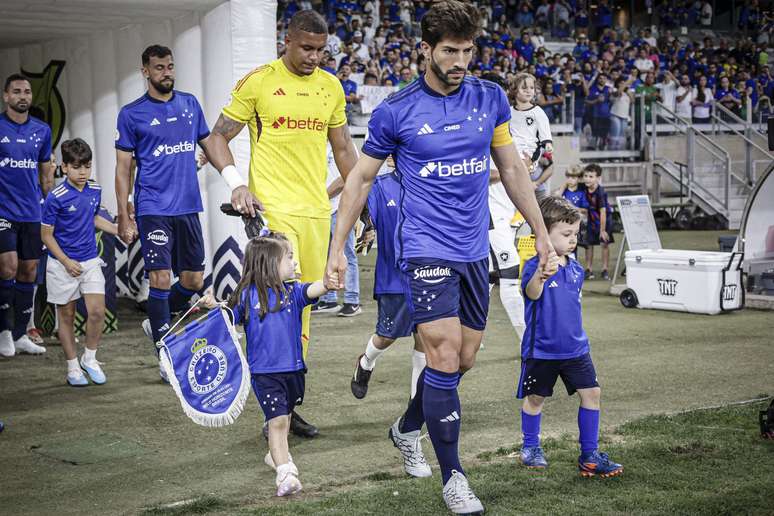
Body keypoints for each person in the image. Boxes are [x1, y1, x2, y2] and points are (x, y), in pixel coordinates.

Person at [325, 2, 553, 513]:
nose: (459, 61)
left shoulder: (490, 98)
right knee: (443, 356)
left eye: (467, 51)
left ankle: (407, 428)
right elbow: (360, 178)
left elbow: (513, 168)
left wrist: (537, 231)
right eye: (449, 51)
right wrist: (337, 249)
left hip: (474, 249)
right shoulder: (396, 110)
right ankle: (454, 478)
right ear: (425, 49)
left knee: (463, 360)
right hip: (425, 247)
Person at [203, 9, 360, 438]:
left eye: (320, 50)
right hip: (271, 215)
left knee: (303, 316)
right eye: (306, 48)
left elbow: (344, 149)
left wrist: (362, 201)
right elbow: (217, 136)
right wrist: (236, 184)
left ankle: (289, 406)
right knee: (272, 311)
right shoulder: (259, 81)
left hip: (316, 213)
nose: (313, 57)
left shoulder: (331, 87)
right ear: (285, 41)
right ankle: (276, 410)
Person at [115, 45, 218, 382]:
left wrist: (234, 179)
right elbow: (122, 169)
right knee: (159, 279)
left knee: (193, 282)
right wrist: (124, 215)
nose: (167, 73)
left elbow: (210, 144)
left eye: (170, 66)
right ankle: (165, 352)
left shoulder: (190, 104)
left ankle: (156, 320)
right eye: (159, 68)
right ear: (145, 71)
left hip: (188, 206)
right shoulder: (132, 114)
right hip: (153, 208)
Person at [517, 195, 623, 478]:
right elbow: (531, 293)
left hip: (576, 349)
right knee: (535, 398)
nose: (573, 239)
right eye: (566, 234)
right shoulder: (534, 265)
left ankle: (589, 455)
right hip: (542, 351)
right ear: (543, 232)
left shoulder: (575, 269)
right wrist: (541, 275)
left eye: (575, 233)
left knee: (592, 394)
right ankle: (530, 447)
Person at [217, 232, 330, 497]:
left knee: (286, 419)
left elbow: (316, 288)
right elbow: (225, 318)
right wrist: (215, 306)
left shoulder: (294, 291)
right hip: (264, 374)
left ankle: (274, 456)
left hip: (294, 372)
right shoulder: (246, 296)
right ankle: (285, 473)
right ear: (269, 263)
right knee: (278, 422)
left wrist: (329, 281)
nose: (294, 262)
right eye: (288, 257)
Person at [40, 138, 117, 386]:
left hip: (90, 261)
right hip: (61, 264)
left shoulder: (95, 190)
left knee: (96, 312)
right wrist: (65, 261)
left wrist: (117, 229)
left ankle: (90, 359)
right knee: (67, 316)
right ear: (65, 167)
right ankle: (73, 367)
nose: (82, 172)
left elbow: (93, 218)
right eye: (76, 167)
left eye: (87, 166)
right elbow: (46, 235)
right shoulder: (55, 197)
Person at [350, 169, 426, 400]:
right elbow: (363, 218)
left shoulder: (431, 181)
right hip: (393, 280)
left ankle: (416, 409)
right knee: (386, 336)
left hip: (427, 276)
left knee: (424, 339)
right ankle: (366, 362)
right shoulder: (380, 186)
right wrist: (365, 230)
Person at [0, 73, 53, 357]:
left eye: (27, 92)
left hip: (32, 213)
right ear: (6, 96)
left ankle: (21, 333)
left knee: (28, 270)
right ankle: (4, 331)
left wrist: (50, 209)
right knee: (7, 266)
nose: (23, 96)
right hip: (2, 212)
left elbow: (46, 175)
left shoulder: (42, 130)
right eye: (17, 91)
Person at [314, 145, 361, 315]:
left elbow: (346, 177)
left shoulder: (346, 145)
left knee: (346, 253)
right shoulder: (318, 141)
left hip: (340, 208)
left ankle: (352, 300)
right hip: (322, 208)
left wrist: (322, 196)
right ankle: (329, 298)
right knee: (326, 253)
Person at [509, 73, 554, 200]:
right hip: (513, 150)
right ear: (514, 90)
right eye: (524, 88)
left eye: (531, 88)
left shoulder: (537, 111)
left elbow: (544, 129)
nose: (529, 91)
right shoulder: (509, 111)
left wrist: (548, 143)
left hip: (531, 150)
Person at [580, 164, 613, 280]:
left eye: (591, 176)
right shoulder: (583, 187)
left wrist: (602, 230)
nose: (587, 179)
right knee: (588, 245)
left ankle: (605, 269)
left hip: (604, 221)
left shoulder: (600, 192)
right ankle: (589, 269)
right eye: (585, 176)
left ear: (598, 178)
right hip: (591, 221)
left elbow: (603, 212)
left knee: (604, 244)